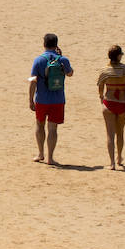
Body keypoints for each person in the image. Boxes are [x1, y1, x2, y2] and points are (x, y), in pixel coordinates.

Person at [29, 32, 73, 165]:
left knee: (39, 125)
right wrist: (61, 56)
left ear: (44, 44)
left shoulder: (38, 60)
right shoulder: (62, 59)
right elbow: (70, 73)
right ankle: (50, 158)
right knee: (53, 129)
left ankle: (40, 153)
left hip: (41, 99)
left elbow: (32, 81)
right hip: (58, 99)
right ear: (56, 45)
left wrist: (30, 99)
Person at [97, 44, 125, 169]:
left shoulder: (105, 71)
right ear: (119, 56)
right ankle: (119, 158)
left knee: (110, 134)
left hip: (109, 103)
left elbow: (100, 86)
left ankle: (112, 163)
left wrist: (101, 97)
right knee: (120, 133)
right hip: (123, 103)